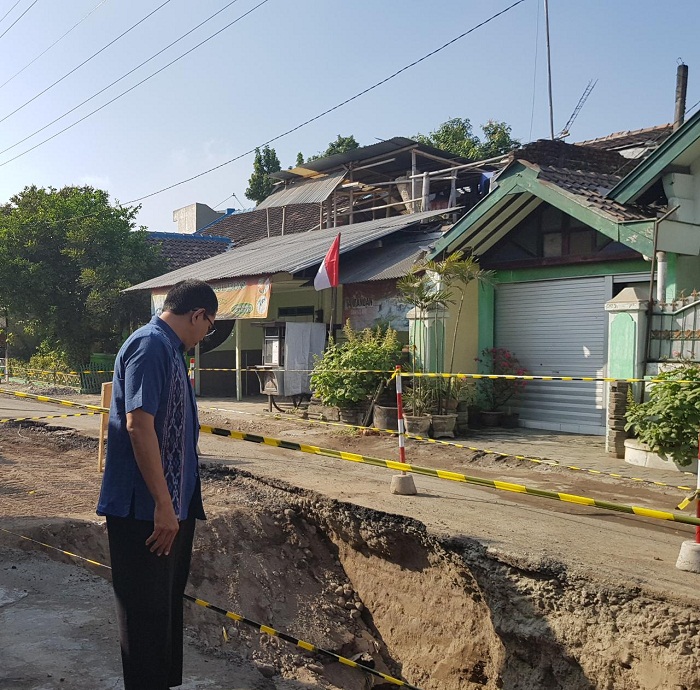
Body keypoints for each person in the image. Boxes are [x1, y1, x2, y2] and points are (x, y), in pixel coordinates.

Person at [97, 278, 218, 690]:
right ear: (197, 314)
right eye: (209, 326)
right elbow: (138, 424)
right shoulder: (150, 346)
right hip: (145, 510)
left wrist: (177, 506)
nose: (206, 335)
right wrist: (163, 506)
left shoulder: (169, 350)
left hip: (170, 507)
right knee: (145, 617)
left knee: (163, 612)